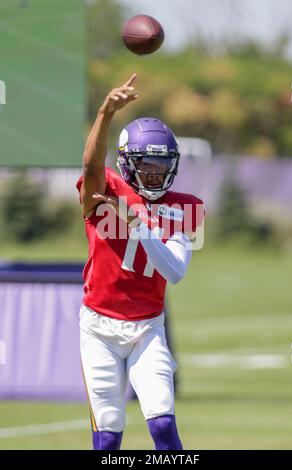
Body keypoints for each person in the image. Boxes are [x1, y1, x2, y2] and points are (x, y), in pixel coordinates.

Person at [76, 73, 204, 450]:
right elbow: (90, 166)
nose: (154, 172)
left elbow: (175, 271)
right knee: (109, 433)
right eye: (146, 164)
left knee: (162, 421)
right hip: (99, 327)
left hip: (147, 328)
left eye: (161, 166)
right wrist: (105, 112)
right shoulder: (106, 191)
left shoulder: (186, 207)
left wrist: (137, 222)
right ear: (127, 164)